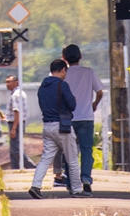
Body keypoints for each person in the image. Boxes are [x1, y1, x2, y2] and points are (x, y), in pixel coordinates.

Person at [29, 59, 83, 198]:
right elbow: (72, 105)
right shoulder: (62, 85)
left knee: (46, 159)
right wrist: (73, 100)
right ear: (63, 70)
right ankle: (77, 189)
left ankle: (35, 186)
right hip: (62, 126)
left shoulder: (42, 87)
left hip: (47, 126)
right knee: (72, 159)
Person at [61, 43, 104, 194]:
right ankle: (86, 179)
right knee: (86, 150)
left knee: (69, 151)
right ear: (80, 56)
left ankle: (71, 183)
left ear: (64, 58)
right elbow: (100, 92)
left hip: (68, 119)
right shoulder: (89, 72)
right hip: (86, 117)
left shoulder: (63, 73)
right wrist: (94, 104)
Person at [4, 74, 35, 169]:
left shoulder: (16, 95)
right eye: (6, 82)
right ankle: (15, 169)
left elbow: (17, 112)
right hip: (17, 122)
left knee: (16, 149)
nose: (7, 84)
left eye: (9, 82)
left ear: (16, 82)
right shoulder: (19, 93)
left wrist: (13, 128)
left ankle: (31, 166)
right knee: (13, 149)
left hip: (16, 123)